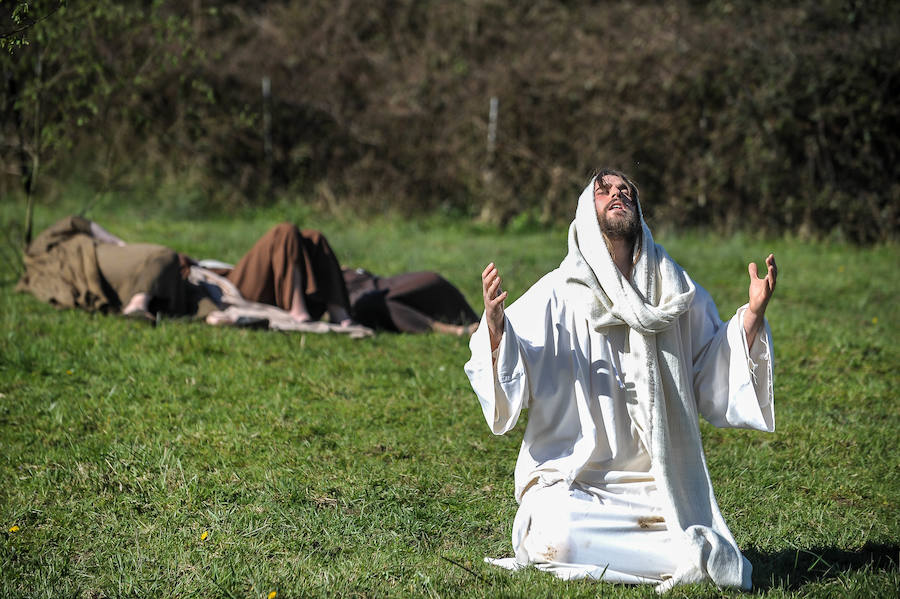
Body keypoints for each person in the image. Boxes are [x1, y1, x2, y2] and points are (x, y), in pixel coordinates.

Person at [464, 169, 777, 592]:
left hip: (653, 485)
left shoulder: (673, 290)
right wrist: (498, 331)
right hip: (575, 484)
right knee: (557, 535)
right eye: (604, 190)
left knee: (699, 544)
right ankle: (644, 555)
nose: (618, 193)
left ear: (639, 211)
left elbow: (709, 369)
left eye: (626, 190)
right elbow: (512, 375)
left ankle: (667, 552)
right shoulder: (558, 292)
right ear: (584, 210)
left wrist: (752, 317)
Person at [17, 215, 191, 321]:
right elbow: (75, 221)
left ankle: (139, 302)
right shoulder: (46, 247)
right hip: (96, 259)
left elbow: (75, 222)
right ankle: (138, 303)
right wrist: (118, 243)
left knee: (164, 269)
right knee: (164, 256)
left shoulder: (39, 259)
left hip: (96, 277)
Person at [203, 223, 355, 327]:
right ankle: (296, 309)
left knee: (315, 237)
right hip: (232, 287)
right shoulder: (189, 268)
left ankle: (337, 310)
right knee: (284, 231)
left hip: (259, 283)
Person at [341, 267, 479, 336]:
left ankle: (477, 322)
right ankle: (452, 330)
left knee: (431, 278)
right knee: (380, 303)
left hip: (377, 282)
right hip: (353, 299)